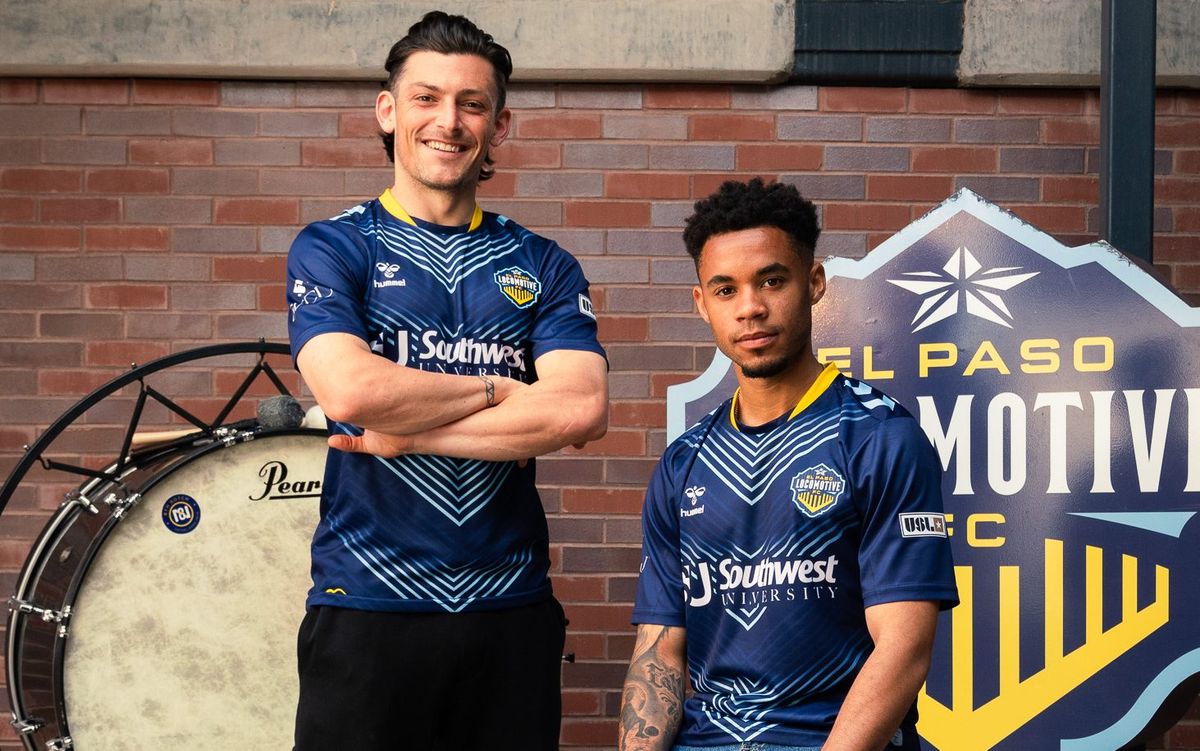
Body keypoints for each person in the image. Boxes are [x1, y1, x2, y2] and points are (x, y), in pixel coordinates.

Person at [285, 11, 607, 750]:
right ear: (388, 110)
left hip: (509, 609)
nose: (449, 122)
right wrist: (501, 392)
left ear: (499, 125)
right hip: (367, 601)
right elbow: (351, 392)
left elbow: (582, 408)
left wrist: (408, 433)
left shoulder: (543, 263)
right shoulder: (336, 246)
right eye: (426, 98)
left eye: (472, 104)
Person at [620, 179, 957, 751]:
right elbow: (660, 654)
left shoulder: (879, 437)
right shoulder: (684, 462)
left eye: (771, 281)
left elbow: (904, 649)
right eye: (726, 290)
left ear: (814, 282)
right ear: (702, 304)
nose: (750, 308)